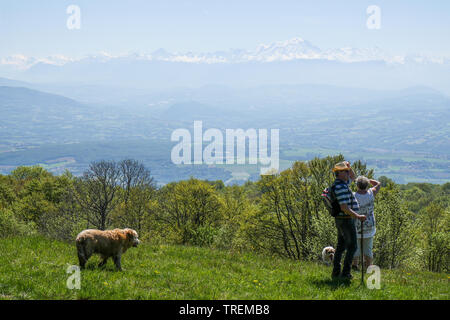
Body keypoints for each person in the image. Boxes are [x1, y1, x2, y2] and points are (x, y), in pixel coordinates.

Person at [331, 161, 366, 280]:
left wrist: (349, 168)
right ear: (339, 173)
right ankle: (345, 273)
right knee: (352, 247)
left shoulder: (342, 183)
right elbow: (344, 207)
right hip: (345, 220)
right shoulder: (340, 187)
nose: (347, 173)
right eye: (345, 171)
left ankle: (336, 273)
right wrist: (358, 216)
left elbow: (353, 177)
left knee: (341, 246)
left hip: (341, 220)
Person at [352, 176, 381, 270]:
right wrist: (369, 180)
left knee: (355, 247)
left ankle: (355, 266)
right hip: (369, 225)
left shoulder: (353, 195)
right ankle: (368, 267)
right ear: (367, 185)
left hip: (357, 225)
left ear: (357, 185)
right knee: (368, 248)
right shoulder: (371, 193)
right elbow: (378, 184)